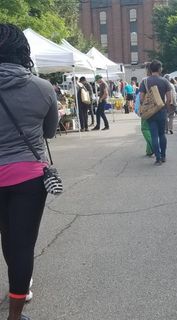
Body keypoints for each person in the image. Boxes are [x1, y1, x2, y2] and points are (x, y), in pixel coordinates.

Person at [0, 23, 58, 320]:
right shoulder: (43, 88)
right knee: (20, 244)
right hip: (27, 176)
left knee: (7, 239)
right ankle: (14, 315)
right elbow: (49, 132)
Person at [140, 60, 171, 165]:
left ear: (150, 69)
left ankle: (157, 158)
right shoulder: (165, 81)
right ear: (159, 69)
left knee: (154, 135)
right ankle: (163, 156)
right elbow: (169, 99)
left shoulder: (144, 82)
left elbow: (141, 98)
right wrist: (165, 109)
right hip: (161, 111)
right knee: (162, 134)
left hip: (150, 113)